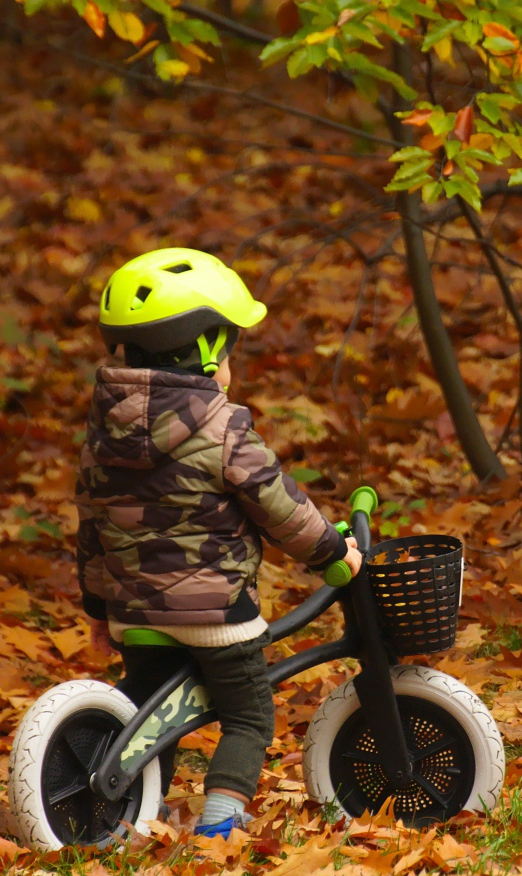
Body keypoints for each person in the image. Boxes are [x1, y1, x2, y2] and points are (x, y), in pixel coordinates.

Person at [74, 247, 362, 837]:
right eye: (229, 346)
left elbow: (92, 526)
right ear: (206, 351)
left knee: (150, 721)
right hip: (216, 615)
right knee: (249, 719)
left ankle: (129, 815)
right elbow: (278, 504)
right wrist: (333, 554)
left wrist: (99, 607)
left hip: (137, 613)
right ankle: (221, 822)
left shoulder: (104, 432)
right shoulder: (224, 427)